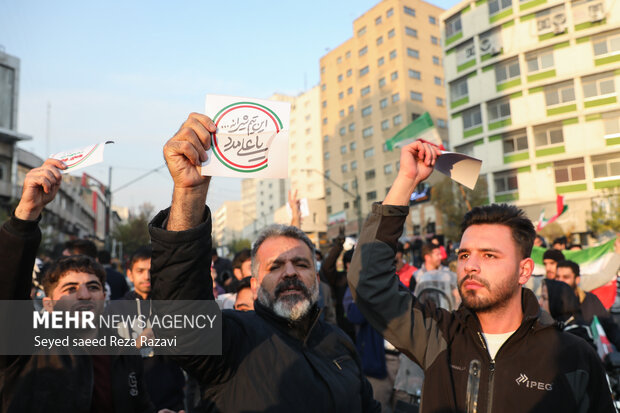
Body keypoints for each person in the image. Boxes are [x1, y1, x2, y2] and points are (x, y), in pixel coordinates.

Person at [347, 140, 614, 412]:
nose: (470, 265)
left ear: (523, 271)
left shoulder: (573, 357)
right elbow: (369, 282)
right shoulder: (439, 336)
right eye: (464, 255)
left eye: (489, 255)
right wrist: (407, 179)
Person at [149, 113, 379, 412]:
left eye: (301, 264)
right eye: (275, 266)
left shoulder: (339, 343)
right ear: (254, 283)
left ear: (316, 277)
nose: (290, 272)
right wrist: (189, 193)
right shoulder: (233, 340)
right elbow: (181, 317)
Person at [0, 158, 177, 412]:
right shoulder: (27, 346)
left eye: (93, 287)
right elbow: (7, 286)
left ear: (104, 297)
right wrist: (25, 216)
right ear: (48, 303)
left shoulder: (122, 352)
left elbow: (139, 405)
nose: (84, 295)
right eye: (70, 289)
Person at [556, 260, 620, 350]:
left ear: (577, 279)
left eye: (566, 277)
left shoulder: (590, 299)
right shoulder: (550, 303)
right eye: (557, 277)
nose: (560, 281)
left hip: (590, 356)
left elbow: (610, 327)